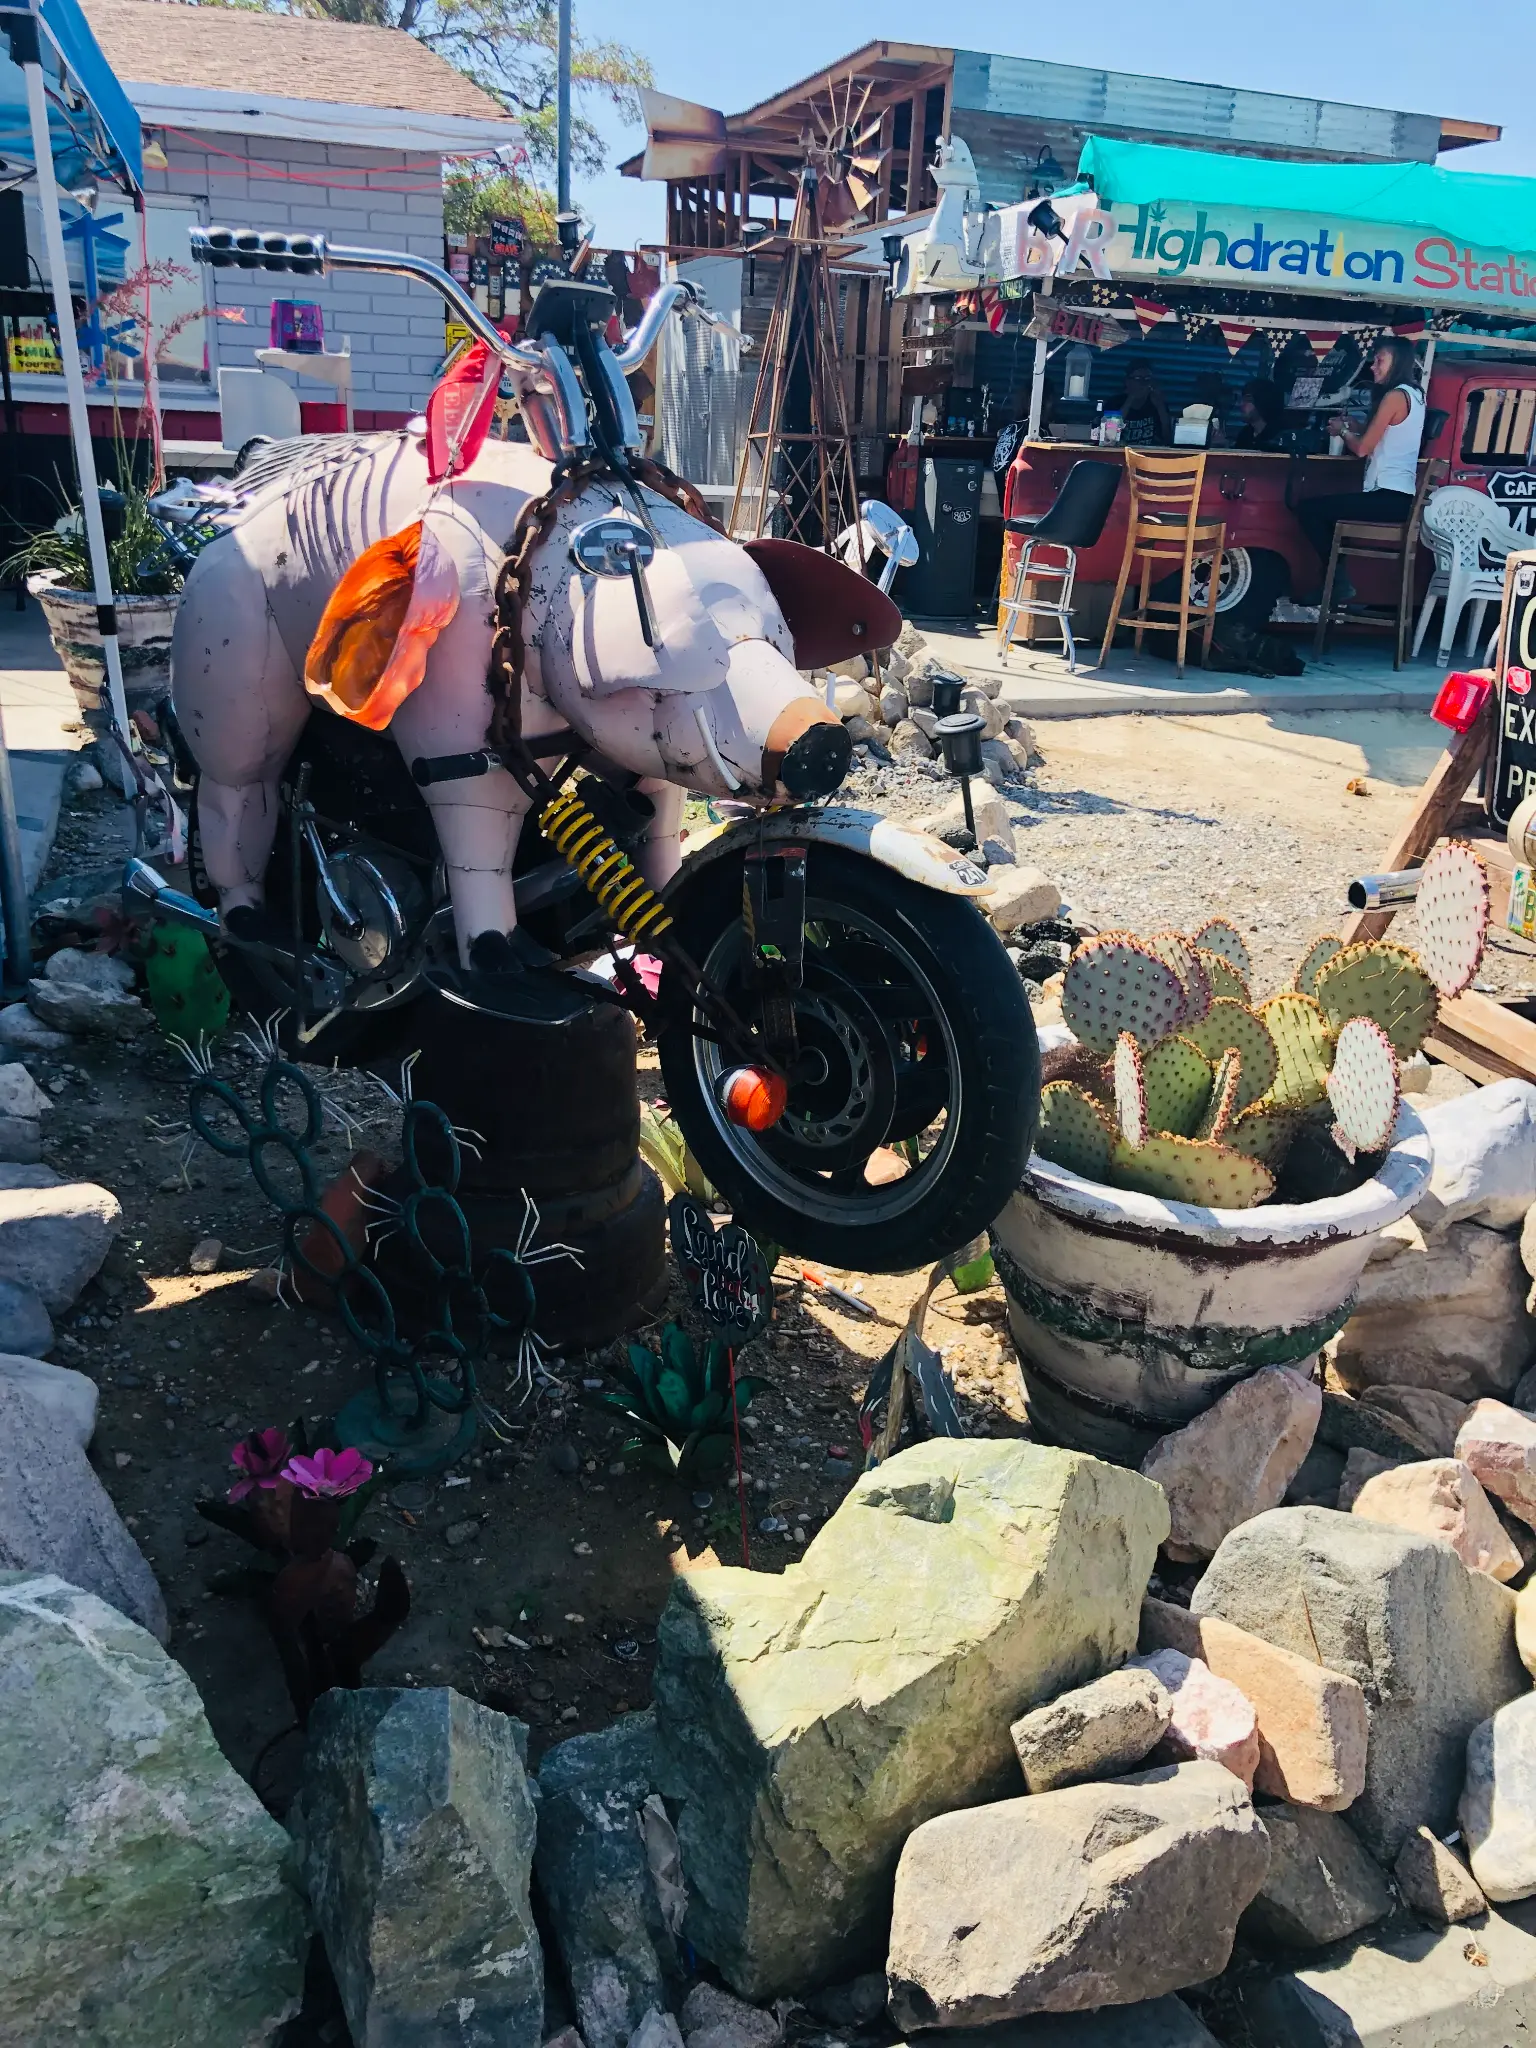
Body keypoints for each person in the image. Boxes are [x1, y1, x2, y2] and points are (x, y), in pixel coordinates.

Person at [1297, 337, 1425, 600]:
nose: (1373, 367)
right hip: (1399, 497)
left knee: (1309, 509)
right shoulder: (1414, 395)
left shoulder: (1394, 396)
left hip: (1390, 497)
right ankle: (1335, 581)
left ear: (1397, 363)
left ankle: (1337, 582)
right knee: (1325, 512)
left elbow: (1362, 449)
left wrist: (1341, 431)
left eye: (1380, 361)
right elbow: (1383, 436)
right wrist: (1355, 426)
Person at [1119, 361, 1172, 445]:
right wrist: (1130, 399)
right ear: (1127, 382)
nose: (1143, 383)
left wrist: (1160, 407)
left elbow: (1167, 438)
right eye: (1137, 379)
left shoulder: (1157, 404)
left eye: (1147, 379)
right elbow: (1109, 434)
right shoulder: (1115, 403)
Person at [1235, 377, 1285, 449]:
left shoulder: (1278, 438)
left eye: (1247, 400)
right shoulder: (1245, 434)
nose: (1240, 404)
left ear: (1262, 402)